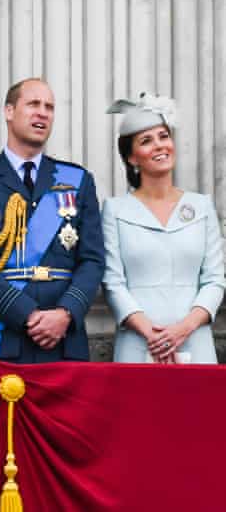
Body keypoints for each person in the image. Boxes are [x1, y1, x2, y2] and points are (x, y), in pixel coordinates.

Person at [0, 78, 105, 363]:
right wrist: (27, 314)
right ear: (9, 111)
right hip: (2, 335)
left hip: (64, 340)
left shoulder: (77, 180)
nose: (43, 113)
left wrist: (65, 313)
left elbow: (93, 260)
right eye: (33, 104)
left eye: (49, 107)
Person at [103, 94, 225, 364]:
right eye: (146, 141)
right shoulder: (114, 210)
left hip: (195, 341)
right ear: (132, 158)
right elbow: (113, 282)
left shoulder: (201, 206)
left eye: (163, 136)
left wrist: (183, 329)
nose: (160, 145)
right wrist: (152, 334)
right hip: (137, 344)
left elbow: (215, 279)